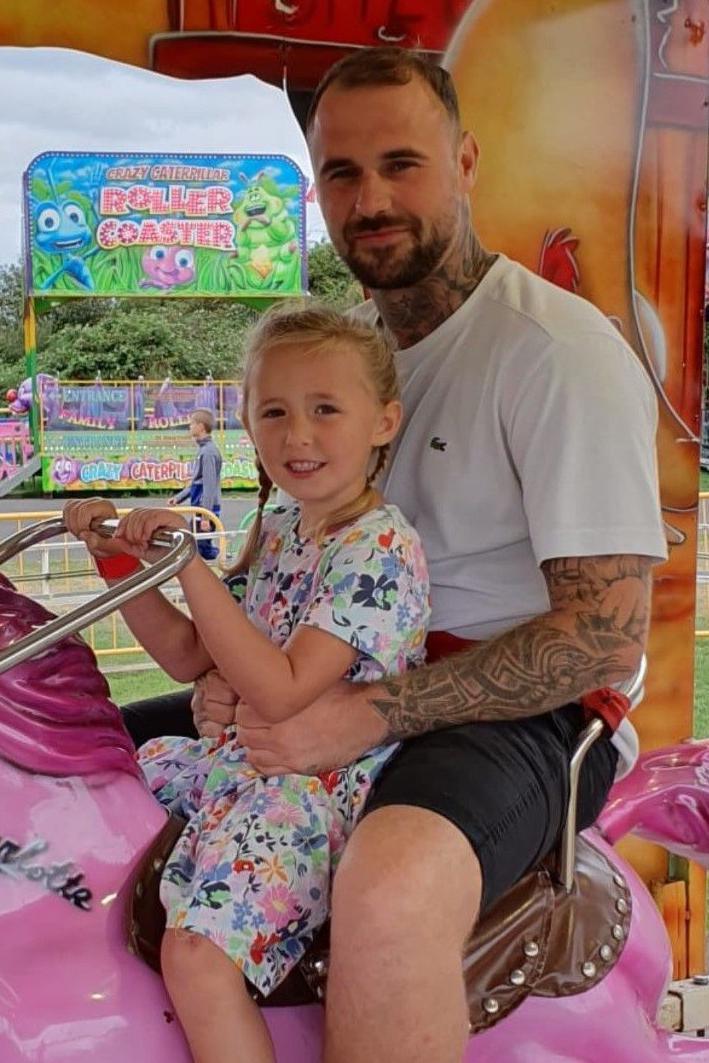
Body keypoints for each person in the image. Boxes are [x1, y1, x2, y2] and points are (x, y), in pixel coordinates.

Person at [116, 48, 667, 1063]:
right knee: (74, 767)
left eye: (400, 165)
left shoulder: (552, 353)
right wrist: (230, 683)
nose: (369, 199)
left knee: (391, 882)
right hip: (333, 675)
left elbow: (600, 637)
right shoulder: (345, 358)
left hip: (526, 707)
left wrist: (362, 713)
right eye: (341, 173)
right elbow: (262, 573)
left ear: (461, 164)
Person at [64, 304, 430, 1063]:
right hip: (241, 765)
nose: (297, 434)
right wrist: (119, 561)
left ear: (383, 420)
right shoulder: (285, 526)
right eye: (274, 411)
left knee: (198, 957)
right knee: (98, 798)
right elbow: (187, 652)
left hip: (309, 787)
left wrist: (186, 563)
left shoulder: (380, 546)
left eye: (325, 409)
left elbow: (285, 687)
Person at [169, 406, 222, 561]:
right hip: (200, 507)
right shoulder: (203, 450)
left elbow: (209, 485)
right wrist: (179, 498)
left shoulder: (208, 452)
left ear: (200, 426)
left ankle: (227, 560)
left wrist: (206, 516)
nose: (189, 427)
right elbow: (196, 484)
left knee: (201, 550)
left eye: (192, 423)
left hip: (206, 508)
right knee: (196, 546)